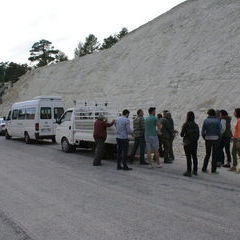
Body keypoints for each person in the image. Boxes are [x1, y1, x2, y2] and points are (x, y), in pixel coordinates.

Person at [201, 109, 221, 174]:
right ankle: (213, 170)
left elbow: (203, 131)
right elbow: (220, 130)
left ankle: (204, 168)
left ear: (208, 114)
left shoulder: (206, 120)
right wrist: (218, 137)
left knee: (207, 154)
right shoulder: (217, 121)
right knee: (214, 155)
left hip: (208, 139)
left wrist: (204, 137)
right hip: (215, 139)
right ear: (214, 114)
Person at [180, 112, 199, 177]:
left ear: (187, 116)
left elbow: (182, 135)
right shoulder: (196, 125)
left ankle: (189, 171)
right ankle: (195, 171)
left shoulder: (185, 124)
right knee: (194, 156)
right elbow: (198, 135)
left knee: (188, 157)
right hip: (194, 143)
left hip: (187, 142)